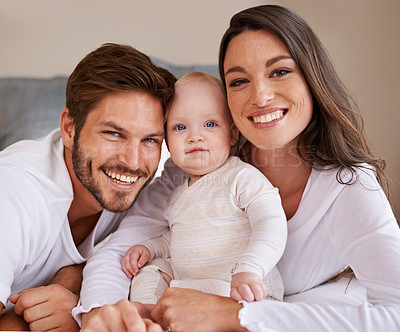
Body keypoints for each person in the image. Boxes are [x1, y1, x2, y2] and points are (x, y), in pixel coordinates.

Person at [79, 5, 400, 332]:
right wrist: (99, 315)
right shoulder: (199, 165)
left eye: (279, 71)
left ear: (312, 77)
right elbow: (120, 251)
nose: (260, 96)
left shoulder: (349, 186)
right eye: (239, 80)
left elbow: (396, 312)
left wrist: (237, 316)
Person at [0, 43, 176, 331]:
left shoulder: (137, 187)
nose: (133, 162)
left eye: (150, 140)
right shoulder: (14, 193)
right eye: (113, 133)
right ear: (70, 128)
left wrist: (70, 284)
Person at [121, 72, 287, 318]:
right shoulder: (178, 193)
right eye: (180, 127)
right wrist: (151, 247)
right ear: (166, 142)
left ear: (232, 134)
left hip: (239, 289)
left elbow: (271, 222)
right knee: (152, 268)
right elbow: (177, 238)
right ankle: (148, 309)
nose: (194, 136)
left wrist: (251, 268)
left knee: (185, 293)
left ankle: (163, 311)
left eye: (209, 124)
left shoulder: (241, 177)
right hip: (190, 288)